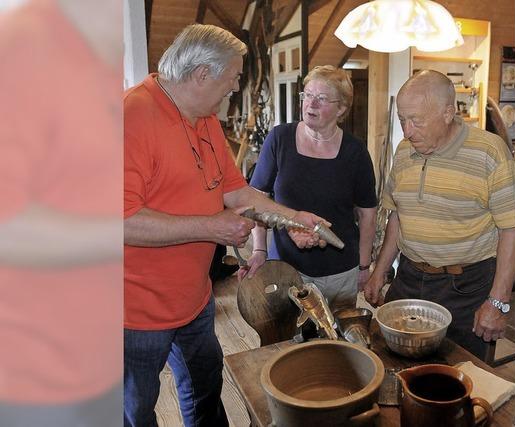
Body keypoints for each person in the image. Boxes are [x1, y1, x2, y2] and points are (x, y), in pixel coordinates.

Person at [124, 24, 325, 427]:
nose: (234, 89)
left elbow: (237, 192)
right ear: (202, 75)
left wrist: (292, 218)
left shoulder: (203, 118)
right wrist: (212, 228)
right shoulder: (131, 116)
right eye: (231, 79)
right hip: (137, 312)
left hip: (195, 299)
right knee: (136, 409)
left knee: (204, 387)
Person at [0, 0, 122, 426]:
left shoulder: (97, 57)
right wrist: (120, 233)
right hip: (41, 379)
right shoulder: (23, 43)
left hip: (96, 354)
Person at [364, 70, 515, 358]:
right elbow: (398, 216)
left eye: (416, 121)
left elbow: (512, 230)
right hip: (408, 278)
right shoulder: (404, 151)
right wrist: (379, 272)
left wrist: (498, 302)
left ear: (448, 113)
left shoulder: (489, 152)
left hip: (466, 287)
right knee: (395, 364)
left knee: (461, 374)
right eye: (402, 120)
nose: (407, 131)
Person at [239, 65, 377, 311]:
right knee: (287, 339)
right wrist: (259, 249)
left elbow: (367, 213)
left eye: (322, 98)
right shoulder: (279, 139)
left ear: (341, 108)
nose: (310, 104)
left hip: (339, 272)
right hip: (285, 268)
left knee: (335, 342)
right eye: (308, 95)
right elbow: (257, 197)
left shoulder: (355, 152)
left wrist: (364, 266)